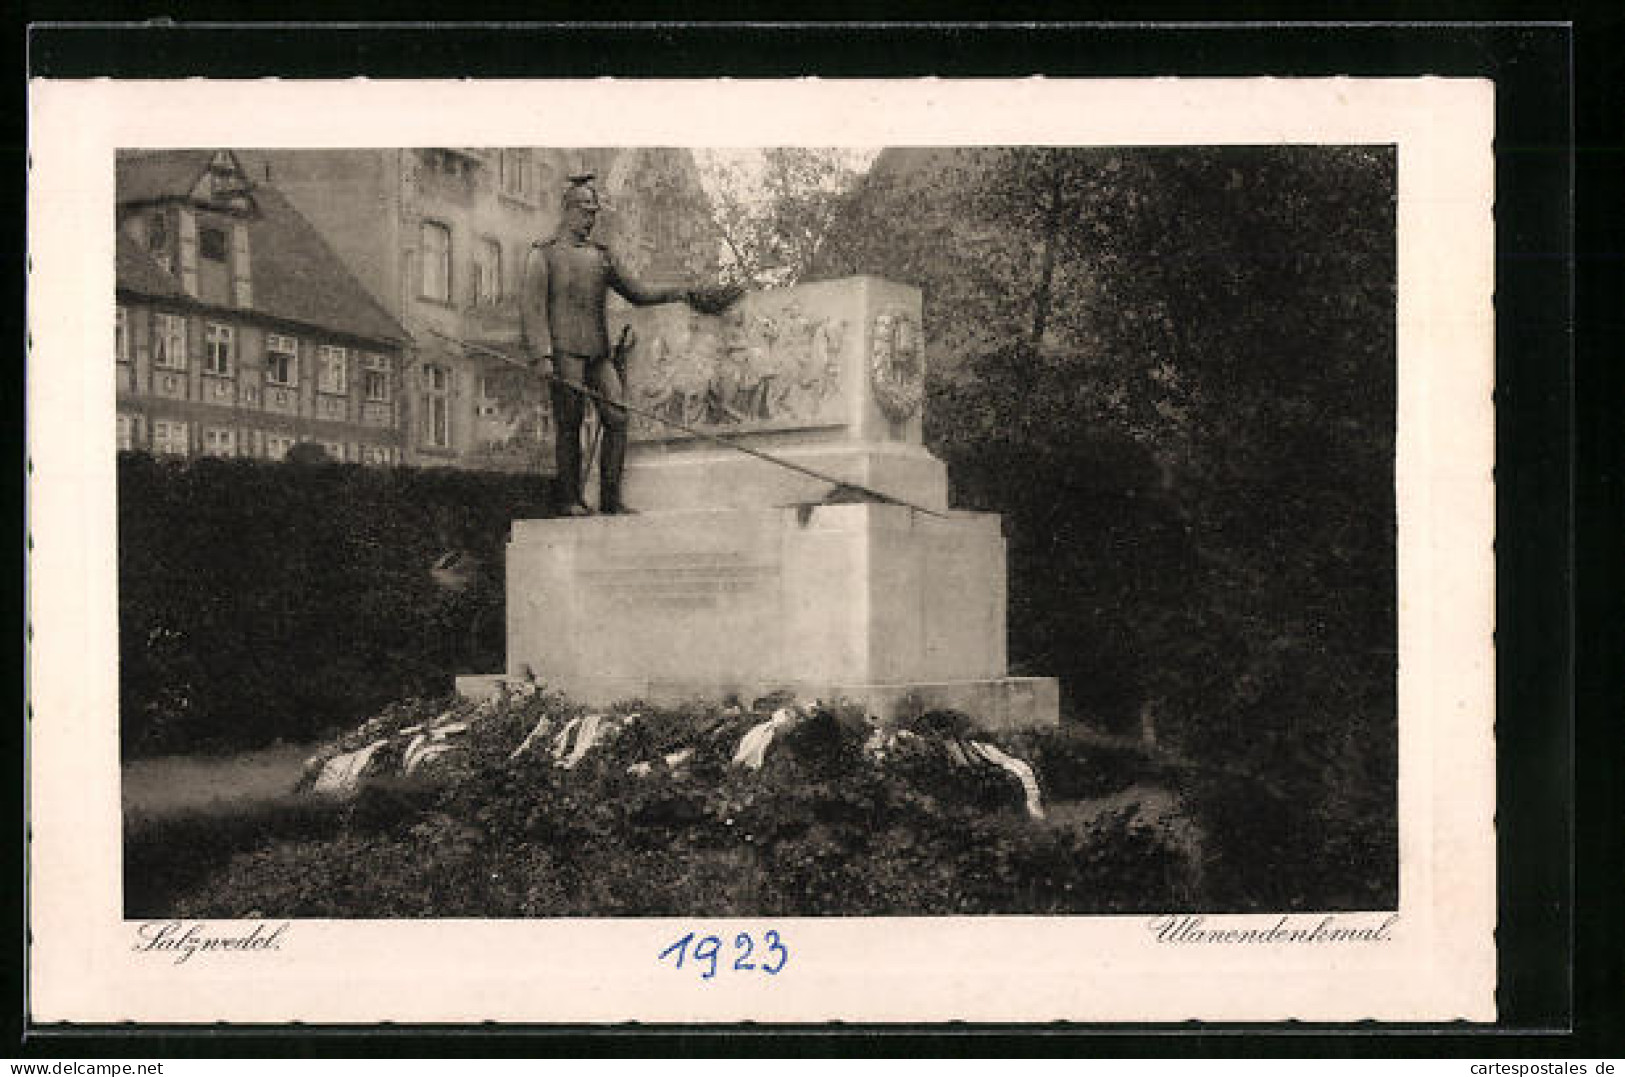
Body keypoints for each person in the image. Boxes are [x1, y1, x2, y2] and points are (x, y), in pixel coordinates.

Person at [520, 172, 737, 515]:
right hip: (563, 352)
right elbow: (532, 309)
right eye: (586, 212)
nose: (591, 219)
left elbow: (638, 293)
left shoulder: (601, 257)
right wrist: (542, 356)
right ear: (569, 210)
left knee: (617, 417)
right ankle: (569, 500)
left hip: (597, 352)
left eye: (594, 213)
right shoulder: (544, 255)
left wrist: (683, 293)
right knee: (570, 423)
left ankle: (609, 500)